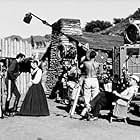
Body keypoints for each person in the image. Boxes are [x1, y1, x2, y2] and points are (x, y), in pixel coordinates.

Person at [80, 50, 100, 118]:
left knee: (87, 96)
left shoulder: (86, 63)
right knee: (95, 97)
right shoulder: (97, 64)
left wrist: (85, 57)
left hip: (88, 79)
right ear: (95, 56)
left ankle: (87, 110)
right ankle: (93, 111)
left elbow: (81, 66)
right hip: (94, 79)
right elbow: (99, 72)